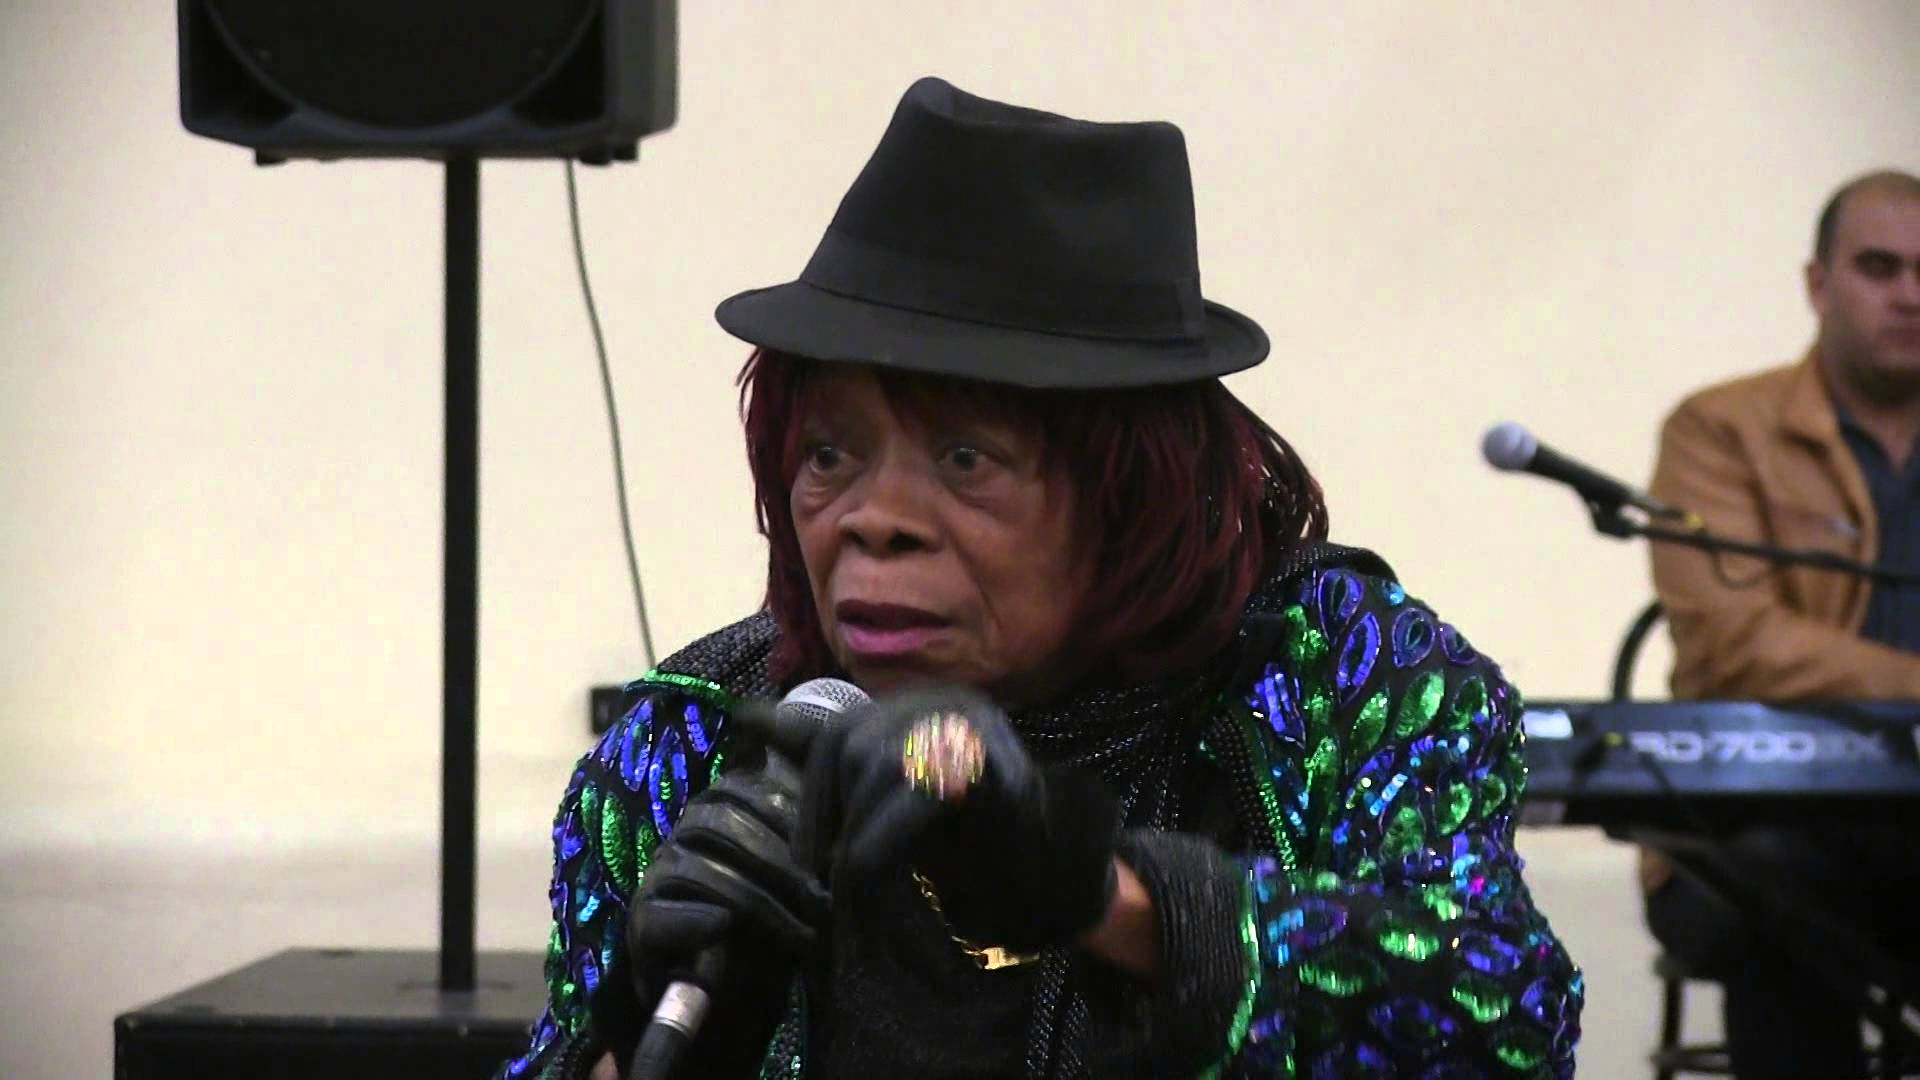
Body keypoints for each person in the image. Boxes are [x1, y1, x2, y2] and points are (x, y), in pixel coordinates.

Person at [498, 77, 1582, 1080]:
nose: (874, 520)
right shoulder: (694, 739)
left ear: (1133, 491)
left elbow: (1508, 1018)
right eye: (829, 454)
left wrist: (1105, 898)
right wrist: (655, 1029)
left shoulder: (1334, 673)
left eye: (965, 458)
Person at [1640, 169, 1920, 1079]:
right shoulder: (1721, 429)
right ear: (1818, 283)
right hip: (1752, 827)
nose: (1910, 295)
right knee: (1779, 888)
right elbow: (1736, 644)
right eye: (1880, 267)